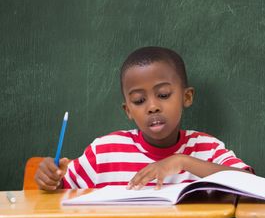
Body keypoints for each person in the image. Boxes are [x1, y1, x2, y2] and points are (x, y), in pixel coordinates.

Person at [35, 46, 252, 190]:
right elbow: (60, 190)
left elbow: (250, 184)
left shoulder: (206, 148)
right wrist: (50, 179)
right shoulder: (105, 152)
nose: (153, 107)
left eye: (164, 95)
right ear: (127, 110)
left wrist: (181, 161)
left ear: (186, 97)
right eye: (139, 100)